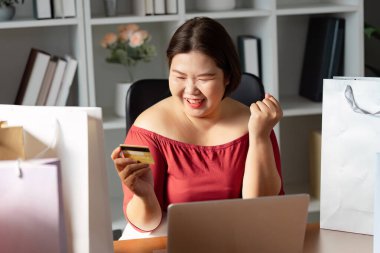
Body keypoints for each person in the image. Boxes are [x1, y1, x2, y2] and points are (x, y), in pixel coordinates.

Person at [111, 17, 284, 236]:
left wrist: (260, 136)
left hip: (238, 241)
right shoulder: (145, 128)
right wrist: (144, 195)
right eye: (179, 77)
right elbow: (145, 225)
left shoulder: (255, 123)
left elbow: (261, 210)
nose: (191, 90)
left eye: (204, 78)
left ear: (228, 77)